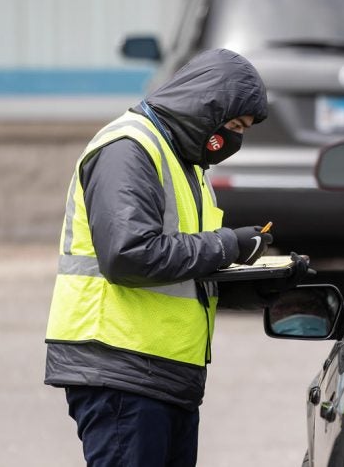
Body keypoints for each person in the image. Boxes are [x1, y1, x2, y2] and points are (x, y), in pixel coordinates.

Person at [44, 48, 280, 466]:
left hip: (164, 374)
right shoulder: (129, 148)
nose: (235, 140)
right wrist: (229, 244)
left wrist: (255, 285)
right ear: (207, 108)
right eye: (234, 125)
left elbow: (183, 270)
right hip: (121, 368)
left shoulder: (187, 163)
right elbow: (130, 255)